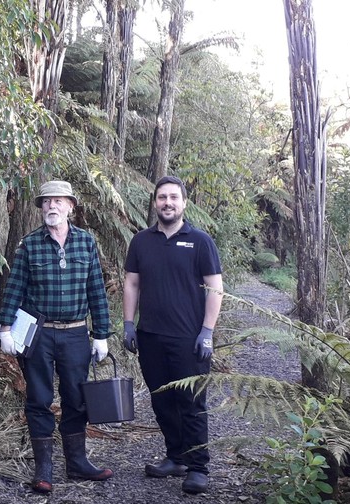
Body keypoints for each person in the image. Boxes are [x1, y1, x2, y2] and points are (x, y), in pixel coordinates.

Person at [0, 180, 113, 494]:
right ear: (41, 208)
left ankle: (77, 462)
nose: (52, 207)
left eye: (59, 201)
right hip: (39, 337)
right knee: (39, 400)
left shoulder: (86, 243)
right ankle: (44, 468)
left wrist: (101, 334)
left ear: (71, 206)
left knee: (76, 399)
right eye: (46, 202)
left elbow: (96, 292)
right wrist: (5, 328)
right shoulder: (29, 244)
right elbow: (14, 288)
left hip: (75, 335)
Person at [122, 175, 223, 495]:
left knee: (191, 403)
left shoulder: (201, 241)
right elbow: (131, 283)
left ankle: (198, 467)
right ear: (155, 203)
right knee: (162, 401)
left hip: (188, 339)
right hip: (150, 336)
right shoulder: (141, 241)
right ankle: (176, 457)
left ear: (183, 203)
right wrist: (128, 323)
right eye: (162, 197)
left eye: (173, 197)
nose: (168, 202)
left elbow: (215, 288)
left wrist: (207, 331)